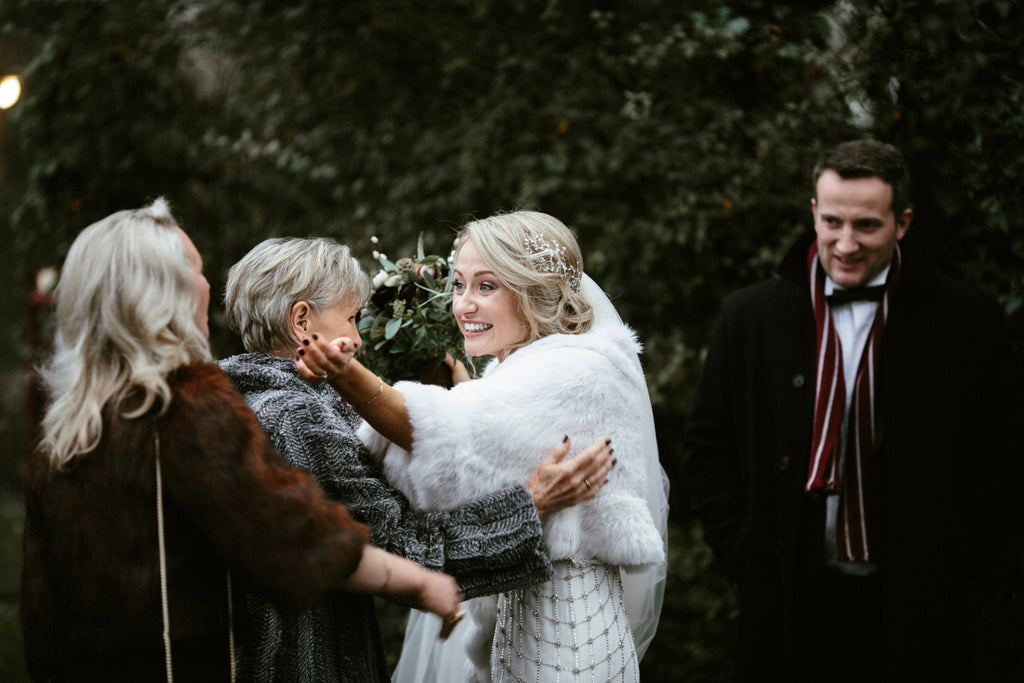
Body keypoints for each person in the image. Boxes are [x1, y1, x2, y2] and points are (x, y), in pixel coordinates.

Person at [20, 199, 464, 682]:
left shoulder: (66, 434)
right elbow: (294, 536)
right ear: (159, 296)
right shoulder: (188, 410)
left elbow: (44, 618)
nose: (208, 285)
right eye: (195, 268)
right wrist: (419, 581)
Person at [682, 139, 1024, 681]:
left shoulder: (967, 320)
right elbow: (707, 447)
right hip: (789, 596)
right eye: (833, 222)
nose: (845, 244)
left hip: (917, 598)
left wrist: (962, 561)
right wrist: (746, 554)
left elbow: (1004, 452)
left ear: (902, 223)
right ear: (814, 214)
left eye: (866, 225)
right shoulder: (749, 316)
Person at [219, 236, 616, 682]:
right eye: (350, 317)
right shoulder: (297, 417)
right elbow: (398, 549)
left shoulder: (238, 404)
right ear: (302, 321)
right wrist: (529, 504)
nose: (356, 338)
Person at [298, 211, 669, 683]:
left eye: (486, 286)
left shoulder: (581, 370)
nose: (464, 305)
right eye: (458, 285)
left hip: (570, 633)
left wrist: (347, 374)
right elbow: (493, 446)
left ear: (535, 291)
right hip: (529, 619)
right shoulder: (534, 365)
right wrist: (461, 388)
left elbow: (453, 436)